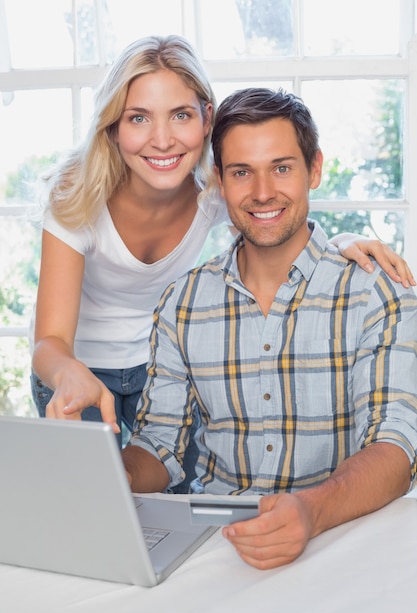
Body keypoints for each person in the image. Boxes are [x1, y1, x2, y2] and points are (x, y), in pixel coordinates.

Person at [31, 34, 413, 456]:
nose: (162, 140)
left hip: (160, 369)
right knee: (90, 500)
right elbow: (49, 339)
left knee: (171, 502)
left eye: (180, 115)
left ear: (206, 116)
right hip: (77, 367)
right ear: (114, 127)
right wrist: (67, 372)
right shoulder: (76, 194)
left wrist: (341, 240)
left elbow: (271, 221)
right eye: (138, 118)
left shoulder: (213, 186)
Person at [122, 87, 417, 570]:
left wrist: (310, 508)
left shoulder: (376, 293)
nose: (262, 192)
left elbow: (395, 446)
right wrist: (105, 472)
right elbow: (160, 445)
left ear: (314, 169)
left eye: (281, 167)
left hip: (341, 539)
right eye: (242, 172)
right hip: (218, 546)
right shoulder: (184, 303)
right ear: (220, 180)